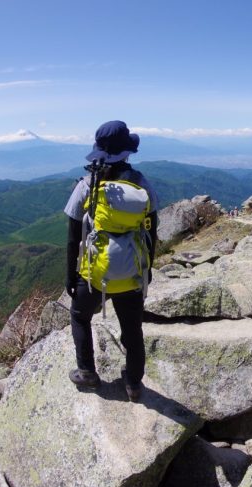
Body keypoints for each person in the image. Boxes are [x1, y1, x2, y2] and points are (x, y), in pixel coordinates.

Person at [63, 120, 159, 401]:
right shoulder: (141, 184)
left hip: (94, 272)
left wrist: (71, 276)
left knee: (80, 316)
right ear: (127, 152)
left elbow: (72, 237)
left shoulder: (87, 186)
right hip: (131, 271)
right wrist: (146, 269)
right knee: (132, 328)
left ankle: (87, 373)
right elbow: (152, 231)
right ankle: (133, 382)